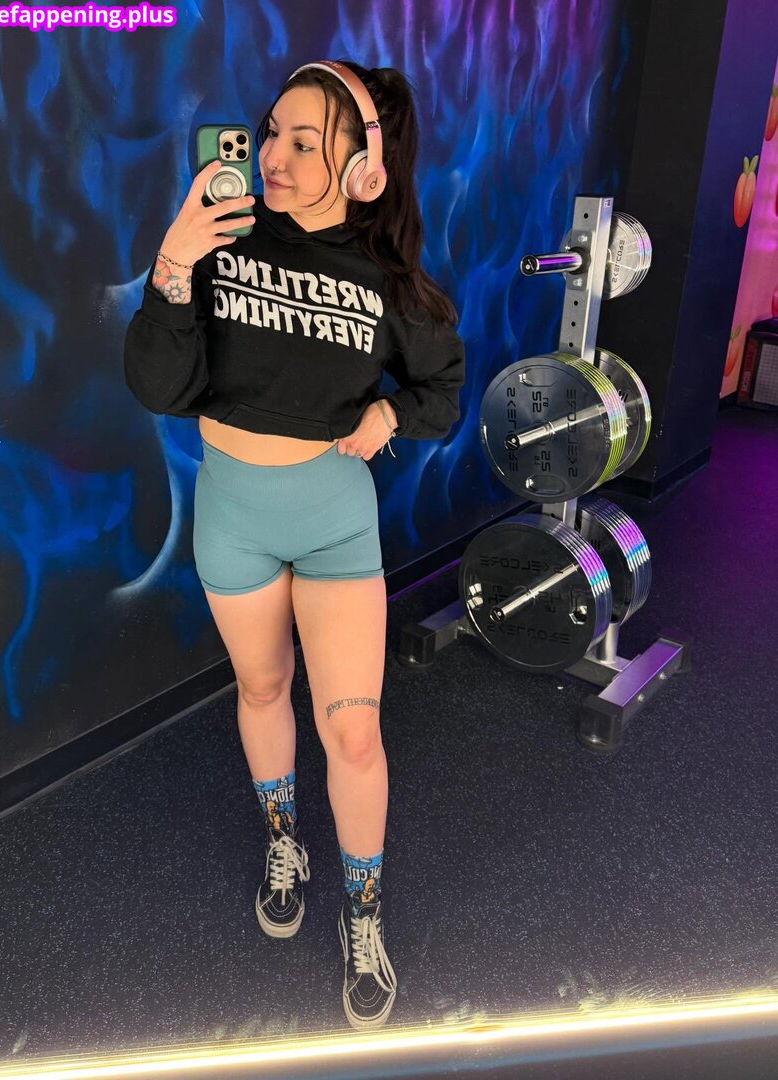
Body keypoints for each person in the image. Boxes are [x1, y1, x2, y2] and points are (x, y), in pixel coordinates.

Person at [123, 58, 465, 1031]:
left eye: (303, 142)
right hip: (232, 511)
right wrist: (174, 262)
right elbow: (157, 387)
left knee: (352, 732)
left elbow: (441, 389)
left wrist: (389, 416)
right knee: (263, 688)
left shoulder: (385, 280)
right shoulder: (222, 242)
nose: (272, 155)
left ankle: (363, 911)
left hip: (330, 520)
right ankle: (286, 839)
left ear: (362, 168)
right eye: (270, 131)